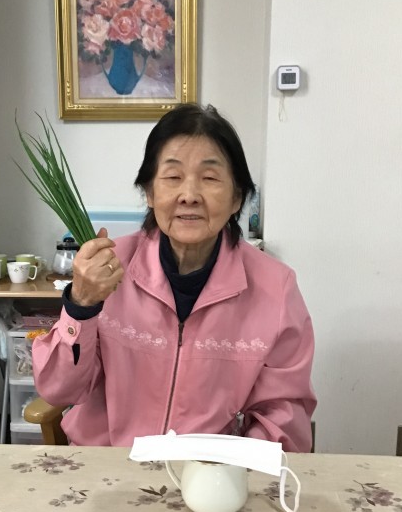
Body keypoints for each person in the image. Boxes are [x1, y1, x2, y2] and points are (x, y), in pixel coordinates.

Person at [32, 103, 316, 450]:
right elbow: (59, 389)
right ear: (150, 193)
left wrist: (230, 468)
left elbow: (282, 416)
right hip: (108, 465)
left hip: (209, 470)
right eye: (172, 177)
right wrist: (81, 306)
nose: (189, 196)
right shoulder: (110, 268)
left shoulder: (275, 288)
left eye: (210, 178)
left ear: (236, 198)